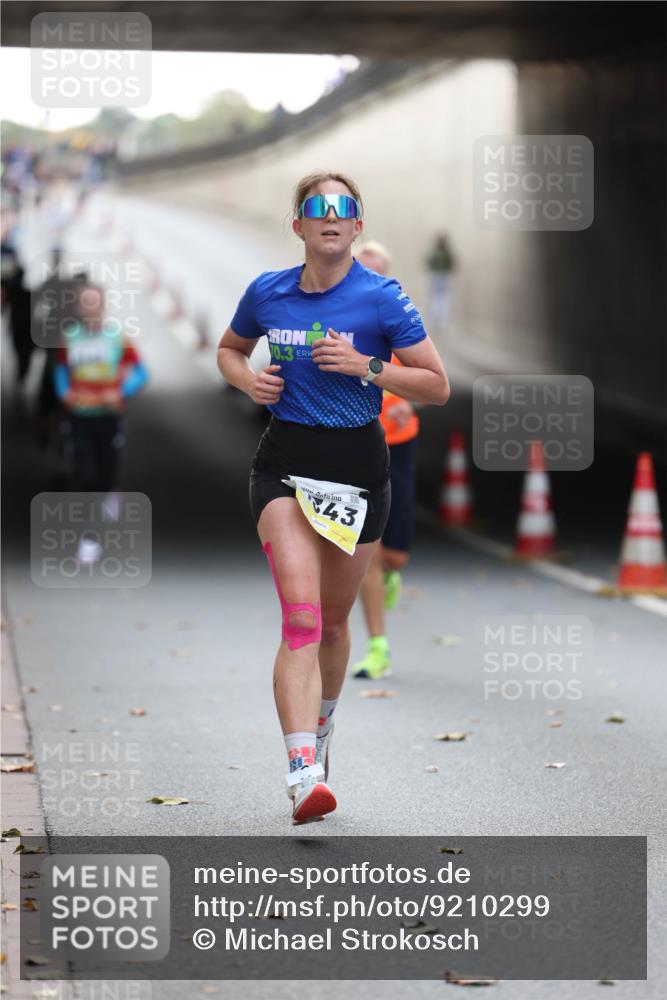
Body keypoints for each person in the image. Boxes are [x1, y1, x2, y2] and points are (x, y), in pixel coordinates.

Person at [217, 170, 450, 824]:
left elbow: (436, 386)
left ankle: (319, 732)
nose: (329, 216)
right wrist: (246, 381)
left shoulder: (381, 300)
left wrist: (367, 368)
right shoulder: (267, 293)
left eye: (342, 208)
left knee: (336, 624)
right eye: (315, 208)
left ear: (357, 224)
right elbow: (229, 350)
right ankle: (301, 773)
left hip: (358, 474)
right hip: (285, 468)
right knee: (301, 617)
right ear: (297, 225)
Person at [352, 241, 420, 679]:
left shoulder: (400, 320)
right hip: (358, 444)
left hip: (399, 443)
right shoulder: (342, 323)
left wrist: (407, 403)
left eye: (379, 274)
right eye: (365, 272)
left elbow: (433, 382)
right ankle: (378, 648)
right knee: (368, 553)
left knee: (394, 556)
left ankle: (395, 571)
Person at [53, 282, 148, 562]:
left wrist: (120, 392)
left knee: (105, 474)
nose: (91, 306)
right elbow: (61, 371)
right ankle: (89, 538)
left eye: (95, 301)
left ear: (104, 304)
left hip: (110, 418)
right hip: (79, 417)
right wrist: (64, 393)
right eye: (86, 302)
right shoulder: (69, 337)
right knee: (86, 475)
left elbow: (142, 372)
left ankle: (110, 491)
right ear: (80, 306)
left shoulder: (118, 338)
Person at [425, 232, 456, 329]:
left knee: (438, 299)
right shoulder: (446, 252)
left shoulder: (438, 252)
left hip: (439, 276)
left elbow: (429, 262)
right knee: (440, 299)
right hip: (441, 276)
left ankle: (437, 321)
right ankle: (439, 321)